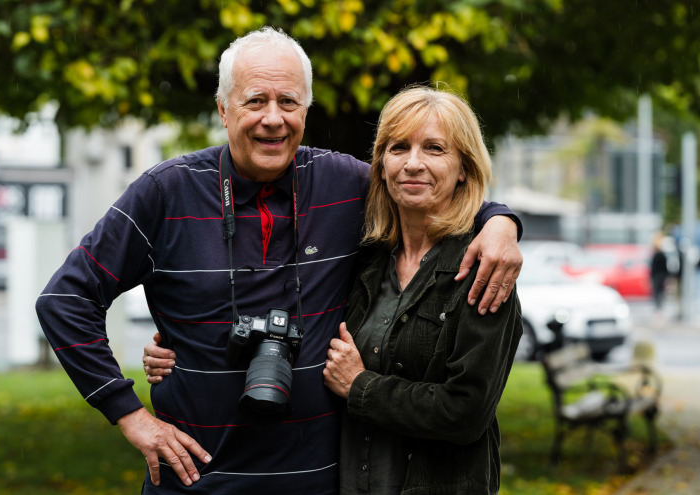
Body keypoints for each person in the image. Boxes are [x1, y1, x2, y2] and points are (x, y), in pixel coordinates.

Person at [36, 27, 522, 495]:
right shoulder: (166, 192)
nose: (274, 118)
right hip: (196, 483)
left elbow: (428, 186)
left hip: (323, 481)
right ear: (223, 110)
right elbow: (65, 299)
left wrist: (501, 223)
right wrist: (130, 415)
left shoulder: (345, 183)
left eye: (288, 102)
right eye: (255, 101)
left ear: (306, 110)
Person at [322, 86, 522, 494]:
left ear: (463, 168)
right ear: (380, 166)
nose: (413, 164)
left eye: (434, 149)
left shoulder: (483, 270)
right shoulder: (364, 260)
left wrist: (361, 386)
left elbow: (465, 413)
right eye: (399, 148)